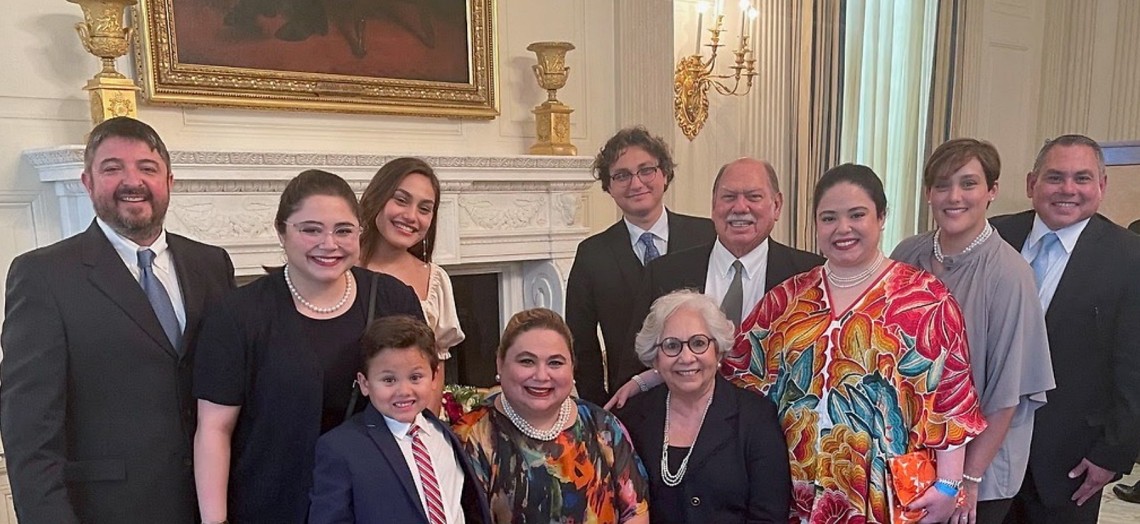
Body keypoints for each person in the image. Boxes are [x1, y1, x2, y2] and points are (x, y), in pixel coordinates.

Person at [0, 116, 236, 523]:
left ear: (169, 182)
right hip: (110, 510)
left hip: (212, 501)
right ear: (87, 183)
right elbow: (29, 430)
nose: (132, 181)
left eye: (147, 168)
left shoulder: (211, 264)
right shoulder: (43, 276)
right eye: (112, 168)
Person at [724, 164, 987, 523]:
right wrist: (652, 378)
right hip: (793, 492)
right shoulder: (787, 298)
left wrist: (948, 484)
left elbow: (951, 397)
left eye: (857, 215)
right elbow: (733, 368)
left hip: (888, 495)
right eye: (828, 218)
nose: (842, 229)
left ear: (881, 217)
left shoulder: (925, 298)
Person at [193, 169, 424, 524]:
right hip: (269, 504)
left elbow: (420, 403)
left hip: (372, 504)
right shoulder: (237, 314)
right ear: (281, 232)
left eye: (343, 230)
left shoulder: (395, 298)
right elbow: (214, 429)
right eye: (311, 229)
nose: (329, 244)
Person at [891, 139, 1054, 524]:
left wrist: (967, 478)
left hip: (979, 468)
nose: (954, 197)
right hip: (913, 458)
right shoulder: (906, 255)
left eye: (968, 184)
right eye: (943, 185)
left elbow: (1007, 394)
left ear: (991, 191)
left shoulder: (1010, 275)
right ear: (928, 193)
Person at [992, 134, 1140, 523]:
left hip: (1069, 465)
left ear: (1102, 187)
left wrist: (1112, 454)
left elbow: (1135, 369)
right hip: (984, 455)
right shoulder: (992, 238)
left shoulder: (1130, 258)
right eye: (1055, 177)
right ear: (1031, 184)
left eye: (1082, 178)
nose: (1068, 189)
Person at [606, 157, 823, 407]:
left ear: (777, 205)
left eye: (753, 197)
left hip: (777, 429)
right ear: (713, 206)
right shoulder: (666, 273)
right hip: (684, 428)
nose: (740, 208)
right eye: (729, 197)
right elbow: (638, 364)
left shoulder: (809, 276)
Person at [452, 308, 650, 524]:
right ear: (500, 363)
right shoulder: (470, 437)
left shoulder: (603, 427)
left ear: (572, 368)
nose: (541, 375)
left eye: (555, 362)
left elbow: (635, 512)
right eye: (527, 361)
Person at [566, 126, 715, 405]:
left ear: (665, 174)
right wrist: (599, 409)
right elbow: (581, 343)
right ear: (608, 187)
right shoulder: (591, 254)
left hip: (705, 393)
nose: (636, 184)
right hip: (629, 403)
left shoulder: (707, 236)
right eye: (621, 175)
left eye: (646, 170)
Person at [617, 289, 791, 523]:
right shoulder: (631, 419)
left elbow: (769, 517)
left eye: (698, 343)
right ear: (655, 357)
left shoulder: (756, 418)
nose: (686, 357)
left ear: (717, 350)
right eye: (671, 345)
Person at [309, 315, 492, 524]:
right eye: (389, 380)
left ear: (434, 376)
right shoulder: (341, 448)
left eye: (415, 377)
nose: (404, 391)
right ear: (365, 383)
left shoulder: (444, 433)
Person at [360, 157, 463, 415]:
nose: (411, 216)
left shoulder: (435, 280)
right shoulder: (341, 270)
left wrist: (425, 431)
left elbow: (435, 367)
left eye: (425, 208)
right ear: (377, 198)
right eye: (401, 200)